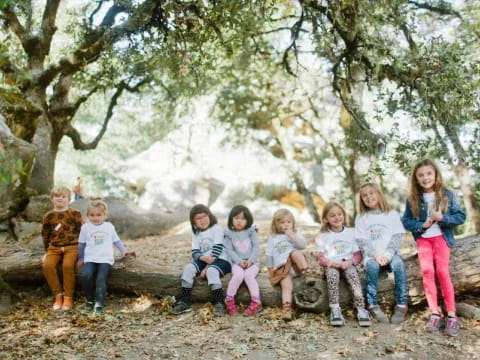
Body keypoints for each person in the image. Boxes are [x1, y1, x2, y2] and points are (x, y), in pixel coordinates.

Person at [402, 159, 466, 336]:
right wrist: (422, 225)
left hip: (441, 238)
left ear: (436, 174)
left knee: (442, 272)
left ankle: (452, 315)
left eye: (429, 174)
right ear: (416, 178)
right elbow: (405, 221)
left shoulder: (448, 194)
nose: (425, 178)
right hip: (424, 239)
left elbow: (461, 217)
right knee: (427, 272)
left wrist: (443, 218)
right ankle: (435, 313)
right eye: (421, 175)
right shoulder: (412, 199)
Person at [355, 183, 408, 324]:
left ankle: (401, 305)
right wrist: (375, 255)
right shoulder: (361, 218)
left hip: (390, 253)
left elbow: (397, 236)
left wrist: (388, 255)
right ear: (361, 199)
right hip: (372, 256)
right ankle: (372, 305)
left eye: (371, 193)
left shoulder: (391, 214)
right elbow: (362, 241)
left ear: (378, 194)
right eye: (364, 195)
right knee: (372, 267)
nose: (368, 197)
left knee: (398, 264)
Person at [170, 204, 231, 317]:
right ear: (194, 222)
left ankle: (219, 303)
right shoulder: (196, 233)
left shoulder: (216, 228)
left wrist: (206, 268)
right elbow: (195, 252)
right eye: (198, 218)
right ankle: (185, 301)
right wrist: (202, 258)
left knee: (211, 271)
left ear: (210, 216)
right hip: (205, 259)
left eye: (204, 216)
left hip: (221, 259)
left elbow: (217, 249)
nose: (202, 220)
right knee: (188, 268)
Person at [316, 202, 371, 327]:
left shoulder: (351, 232)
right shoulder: (324, 236)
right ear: (325, 219)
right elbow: (319, 257)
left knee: (352, 274)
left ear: (344, 215)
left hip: (347, 264)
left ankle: (361, 308)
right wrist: (330, 263)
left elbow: (358, 254)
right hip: (331, 265)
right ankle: (335, 310)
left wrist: (350, 262)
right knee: (332, 275)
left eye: (340, 214)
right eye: (332, 215)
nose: (337, 218)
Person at [76, 200, 130, 315]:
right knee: (86, 275)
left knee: (101, 279)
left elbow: (116, 241)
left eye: (98, 215)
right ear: (87, 215)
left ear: (105, 215)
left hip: (105, 259)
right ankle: (90, 301)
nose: (95, 218)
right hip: (90, 258)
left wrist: (124, 251)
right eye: (92, 215)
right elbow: (81, 244)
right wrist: (81, 258)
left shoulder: (109, 227)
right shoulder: (85, 227)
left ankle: (99, 303)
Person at [42, 186, 83, 310]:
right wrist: (46, 252)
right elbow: (45, 235)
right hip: (54, 247)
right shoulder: (48, 216)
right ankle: (58, 295)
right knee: (47, 265)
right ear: (52, 199)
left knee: (67, 266)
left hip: (72, 247)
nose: (60, 198)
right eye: (57, 196)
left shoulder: (75, 213)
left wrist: (82, 252)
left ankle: (68, 297)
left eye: (63, 196)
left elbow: (82, 231)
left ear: (69, 199)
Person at [266, 208, 312, 321]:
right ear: (276, 224)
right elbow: (269, 255)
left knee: (295, 252)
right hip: (282, 269)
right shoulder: (273, 238)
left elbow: (303, 246)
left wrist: (293, 236)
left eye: (288, 222)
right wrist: (270, 270)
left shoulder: (295, 234)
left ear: (293, 223)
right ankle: (286, 309)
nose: (286, 225)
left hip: (295, 266)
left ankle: (307, 273)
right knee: (286, 286)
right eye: (282, 222)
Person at [224, 205, 262, 316]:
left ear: (248, 220)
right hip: (237, 262)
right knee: (238, 275)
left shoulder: (251, 232)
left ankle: (256, 301)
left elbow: (256, 247)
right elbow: (229, 250)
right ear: (231, 219)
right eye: (236, 218)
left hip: (252, 262)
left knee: (248, 275)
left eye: (242, 218)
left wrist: (250, 260)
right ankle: (229, 300)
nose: (239, 221)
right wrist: (239, 261)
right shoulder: (229, 234)